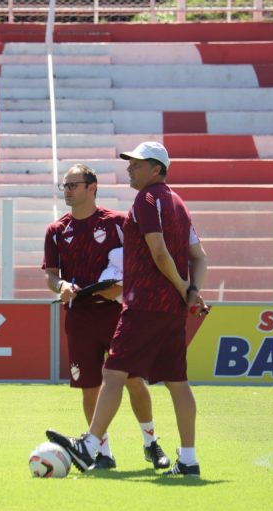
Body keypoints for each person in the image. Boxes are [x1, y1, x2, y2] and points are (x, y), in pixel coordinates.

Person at [47, 142, 209, 477]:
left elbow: (159, 252)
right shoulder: (179, 203)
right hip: (170, 310)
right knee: (178, 382)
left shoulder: (146, 201)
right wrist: (191, 292)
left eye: (137, 164)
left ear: (156, 169)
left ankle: (90, 446)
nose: (130, 169)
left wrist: (184, 288)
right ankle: (188, 459)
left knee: (113, 374)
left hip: (143, 304)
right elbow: (200, 256)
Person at [42, 163, 171, 471]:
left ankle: (151, 444)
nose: (67, 191)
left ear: (92, 187)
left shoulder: (118, 223)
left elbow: (143, 262)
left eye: (73, 185)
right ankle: (102, 453)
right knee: (89, 387)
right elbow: (50, 274)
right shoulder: (56, 230)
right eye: (65, 186)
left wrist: (122, 287)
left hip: (118, 315)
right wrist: (61, 286)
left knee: (134, 379)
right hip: (79, 318)